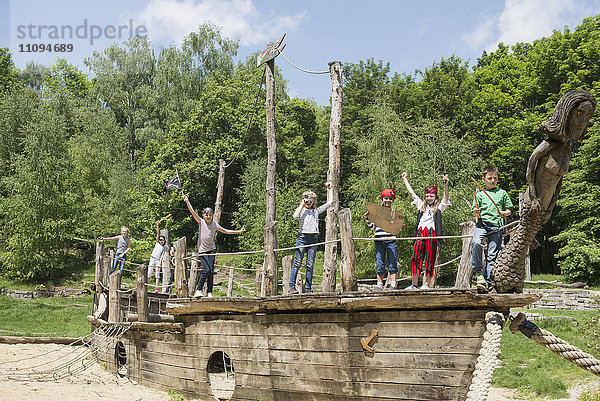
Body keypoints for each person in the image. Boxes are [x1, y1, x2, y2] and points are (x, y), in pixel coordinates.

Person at [183, 194, 245, 298]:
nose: (208, 217)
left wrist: (238, 231)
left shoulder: (214, 225)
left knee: (211, 272)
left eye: (210, 215)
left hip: (211, 249)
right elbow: (192, 212)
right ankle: (198, 290)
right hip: (202, 250)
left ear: (212, 216)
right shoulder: (201, 222)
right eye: (206, 215)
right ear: (203, 215)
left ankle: (209, 292)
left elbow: (226, 231)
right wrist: (187, 201)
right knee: (206, 270)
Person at [402, 173, 450, 289]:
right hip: (420, 233)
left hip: (431, 234)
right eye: (427, 196)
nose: (429, 198)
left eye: (431, 196)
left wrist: (446, 184)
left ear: (435, 197)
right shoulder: (421, 205)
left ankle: (427, 284)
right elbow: (412, 193)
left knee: (430, 258)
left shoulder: (438, 208)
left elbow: (446, 198)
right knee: (415, 258)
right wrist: (405, 180)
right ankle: (414, 284)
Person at [471, 165, 514, 290]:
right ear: (483, 179)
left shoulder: (502, 193)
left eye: (495, 178)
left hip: (496, 227)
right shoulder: (479, 195)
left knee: (492, 256)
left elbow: (509, 210)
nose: (492, 181)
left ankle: (488, 281)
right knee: (476, 243)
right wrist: (475, 212)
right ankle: (478, 272)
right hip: (481, 225)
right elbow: (474, 210)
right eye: (489, 178)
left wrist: (504, 213)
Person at [288, 182, 332, 294]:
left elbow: (330, 203)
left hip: (313, 238)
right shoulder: (301, 211)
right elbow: (294, 216)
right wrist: (302, 205)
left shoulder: (315, 211)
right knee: (297, 262)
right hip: (302, 237)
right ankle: (291, 287)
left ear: (313, 202)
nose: (308, 202)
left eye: (310, 201)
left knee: (310, 264)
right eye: (306, 200)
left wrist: (330, 189)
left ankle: (308, 289)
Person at [364, 189, 401, 290]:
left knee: (392, 262)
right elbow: (372, 227)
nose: (388, 200)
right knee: (380, 262)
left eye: (390, 199)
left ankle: (393, 285)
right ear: (382, 199)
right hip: (379, 240)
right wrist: (367, 218)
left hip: (391, 240)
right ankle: (379, 285)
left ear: (393, 200)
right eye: (386, 198)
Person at [148, 217, 168, 293]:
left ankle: (156, 288)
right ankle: (146, 285)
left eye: (162, 240)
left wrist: (160, 262)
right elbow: (157, 234)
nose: (161, 241)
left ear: (164, 241)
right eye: (160, 240)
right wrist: (157, 226)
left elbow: (163, 255)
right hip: (152, 258)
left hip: (157, 260)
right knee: (149, 272)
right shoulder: (157, 243)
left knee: (157, 274)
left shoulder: (164, 247)